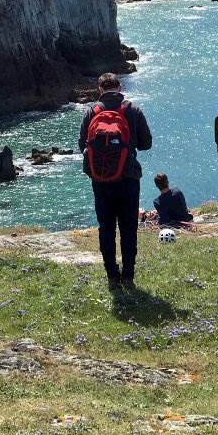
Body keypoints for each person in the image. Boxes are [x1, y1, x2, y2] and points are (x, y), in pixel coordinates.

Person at [78, 73, 152, 292]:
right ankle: (128, 276)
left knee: (106, 227)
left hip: (101, 179)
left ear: (99, 89)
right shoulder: (133, 110)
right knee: (129, 227)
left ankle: (112, 276)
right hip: (128, 177)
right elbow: (147, 143)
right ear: (119, 87)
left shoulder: (92, 112)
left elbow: (82, 144)